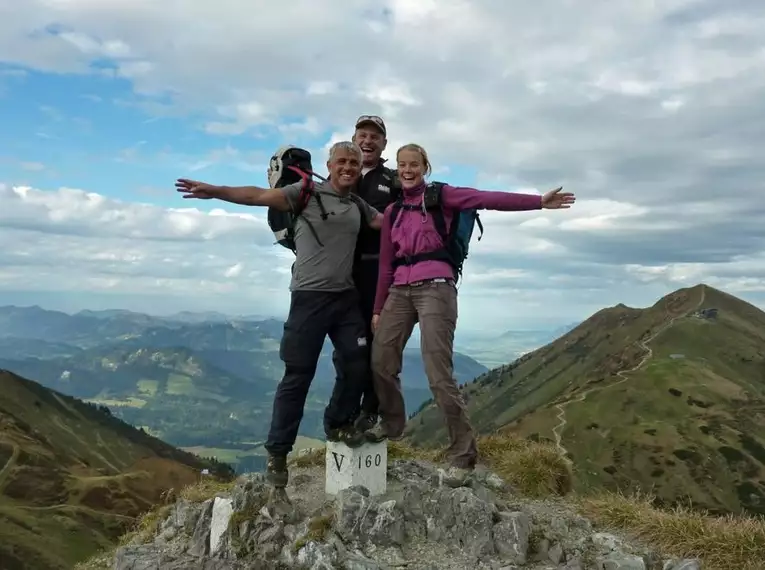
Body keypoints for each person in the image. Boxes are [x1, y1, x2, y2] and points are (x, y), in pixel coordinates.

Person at [175, 141, 384, 489]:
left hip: (345, 298)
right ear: (329, 165)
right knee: (297, 376)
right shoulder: (303, 193)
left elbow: (386, 222)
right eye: (342, 161)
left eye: (354, 162)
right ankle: (278, 455)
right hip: (308, 299)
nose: (348, 167)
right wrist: (215, 191)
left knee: (358, 361)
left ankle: (337, 423)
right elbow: (256, 196)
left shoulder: (358, 204)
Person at [366, 143, 576, 486]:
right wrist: (377, 308)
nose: (407, 170)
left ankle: (463, 454)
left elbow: (486, 198)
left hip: (437, 287)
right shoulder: (393, 212)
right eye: (402, 165)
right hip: (399, 291)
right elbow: (387, 264)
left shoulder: (443, 195)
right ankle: (392, 424)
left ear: (424, 166)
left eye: (414, 164)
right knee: (380, 360)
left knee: (438, 372)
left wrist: (538, 202)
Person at [330, 114, 400, 433]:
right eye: (362, 134)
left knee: (377, 344)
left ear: (384, 144)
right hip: (341, 271)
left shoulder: (393, 180)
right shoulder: (343, 174)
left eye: (375, 136)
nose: (368, 140)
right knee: (347, 345)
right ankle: (343, 415)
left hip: (377, 272)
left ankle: (371, 411)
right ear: (354, 139)